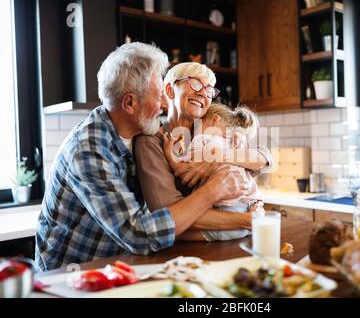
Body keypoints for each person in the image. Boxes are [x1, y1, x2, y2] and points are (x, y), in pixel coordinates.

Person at [35, 43, 248, 271]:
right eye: (159, 96)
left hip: (115, 267)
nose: (166, 104)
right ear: (129, 103)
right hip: (67, 278)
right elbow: (137, 234)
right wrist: (213, 190)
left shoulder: (140, 132)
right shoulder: (88, 149)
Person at [135, 62, 273, 239]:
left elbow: (265, 159)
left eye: (209, 90)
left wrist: (220, 156)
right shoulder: (151, 142)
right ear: (169, 90)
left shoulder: (210, 131)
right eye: (195, 83)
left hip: (235, 236)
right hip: (187, 248)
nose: (203, 93)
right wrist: (245, 220)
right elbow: (168, 214)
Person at [163, 103, 265, 241]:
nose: (194, 131)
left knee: (175, 237)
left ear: (215, 119)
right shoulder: (236, 143)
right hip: (252, 207)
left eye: (198, 125)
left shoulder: (202, 139)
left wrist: (170, 156)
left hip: (227, 211)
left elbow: (184, 170)